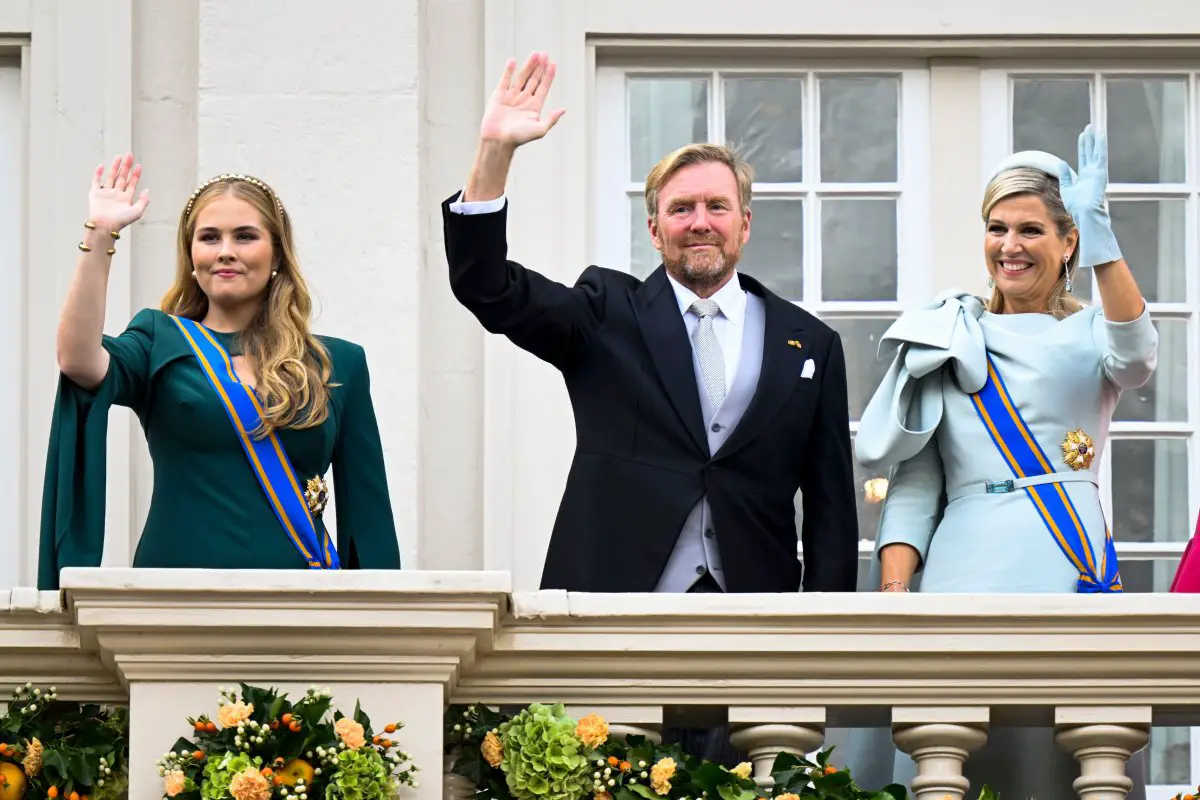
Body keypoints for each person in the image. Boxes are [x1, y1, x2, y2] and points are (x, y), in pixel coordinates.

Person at [443, 51, 859, 596]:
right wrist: (494, 153)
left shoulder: (810, 345)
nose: (701, 222)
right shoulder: (605, 312)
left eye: (718, 206)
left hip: (758, 618)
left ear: (746, 223)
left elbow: (831, 509)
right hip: (613, 607)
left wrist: (822, 638)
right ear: (655, 229)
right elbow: (487, 286)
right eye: (682, 208)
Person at [845, 126, 1154, 797]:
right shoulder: (950, 333)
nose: (1010, 246)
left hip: (1065, 565)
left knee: (1060, 761)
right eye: (997, 227)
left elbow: (1137, 355)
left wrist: (1104, 237)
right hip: (962, 575)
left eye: (1031, 230)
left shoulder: (1093, 332)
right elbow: (915, 486)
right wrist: (896, 599)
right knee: (951, 761)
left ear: (1067, 242)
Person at [39, 156, 401, 589]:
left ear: (277, 256)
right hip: (175, 591)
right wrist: (100, 235)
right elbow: (78, 360)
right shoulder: (160, 341)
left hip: (304, 599)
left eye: (245, 236)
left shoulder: (337, 363)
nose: (225, 250)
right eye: (209, 237)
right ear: (192, 257)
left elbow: (369, 516)